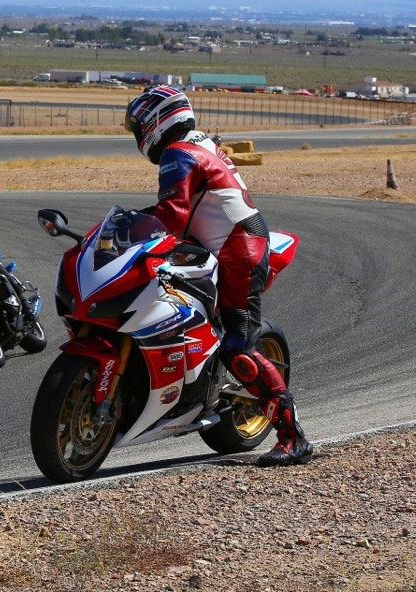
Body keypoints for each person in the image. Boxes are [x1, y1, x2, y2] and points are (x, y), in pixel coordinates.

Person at [124, 85, 312, 467]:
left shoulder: (178, 153)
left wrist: (131, 230)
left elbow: (172, 214)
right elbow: (177, 209)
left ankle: (294, 437)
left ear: (157, 122)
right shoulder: (198, 144)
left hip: (237, 253)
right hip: (224, 243)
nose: (136, 135)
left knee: (237, 349)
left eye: (138, 126)